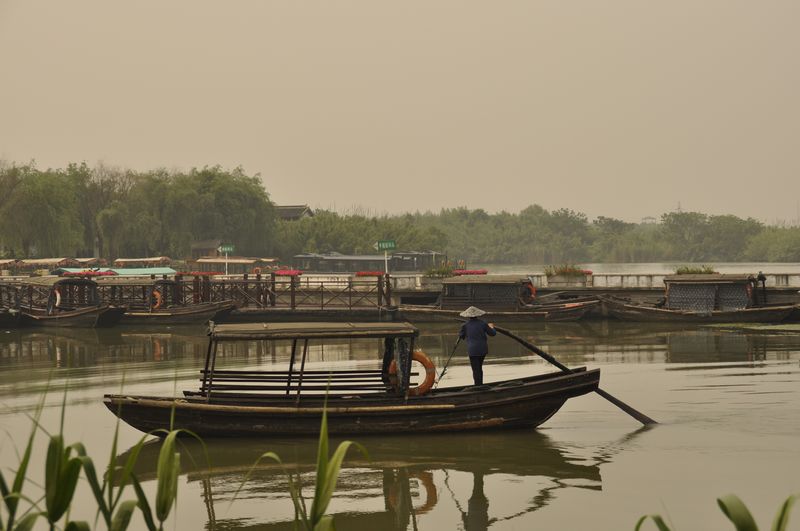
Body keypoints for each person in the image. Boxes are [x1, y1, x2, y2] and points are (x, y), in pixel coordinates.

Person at [458, 306, 496, 385]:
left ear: (468, 316)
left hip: (472, 351)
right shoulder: (483, 323)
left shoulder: (465, 325)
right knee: (479, 368)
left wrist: (462, 332)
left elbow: (461, 336)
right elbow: (493, 333)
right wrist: (492, 327)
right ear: (478, 315)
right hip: (482, 349)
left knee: (475, 369)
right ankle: (480, 385)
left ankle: (478, 386)